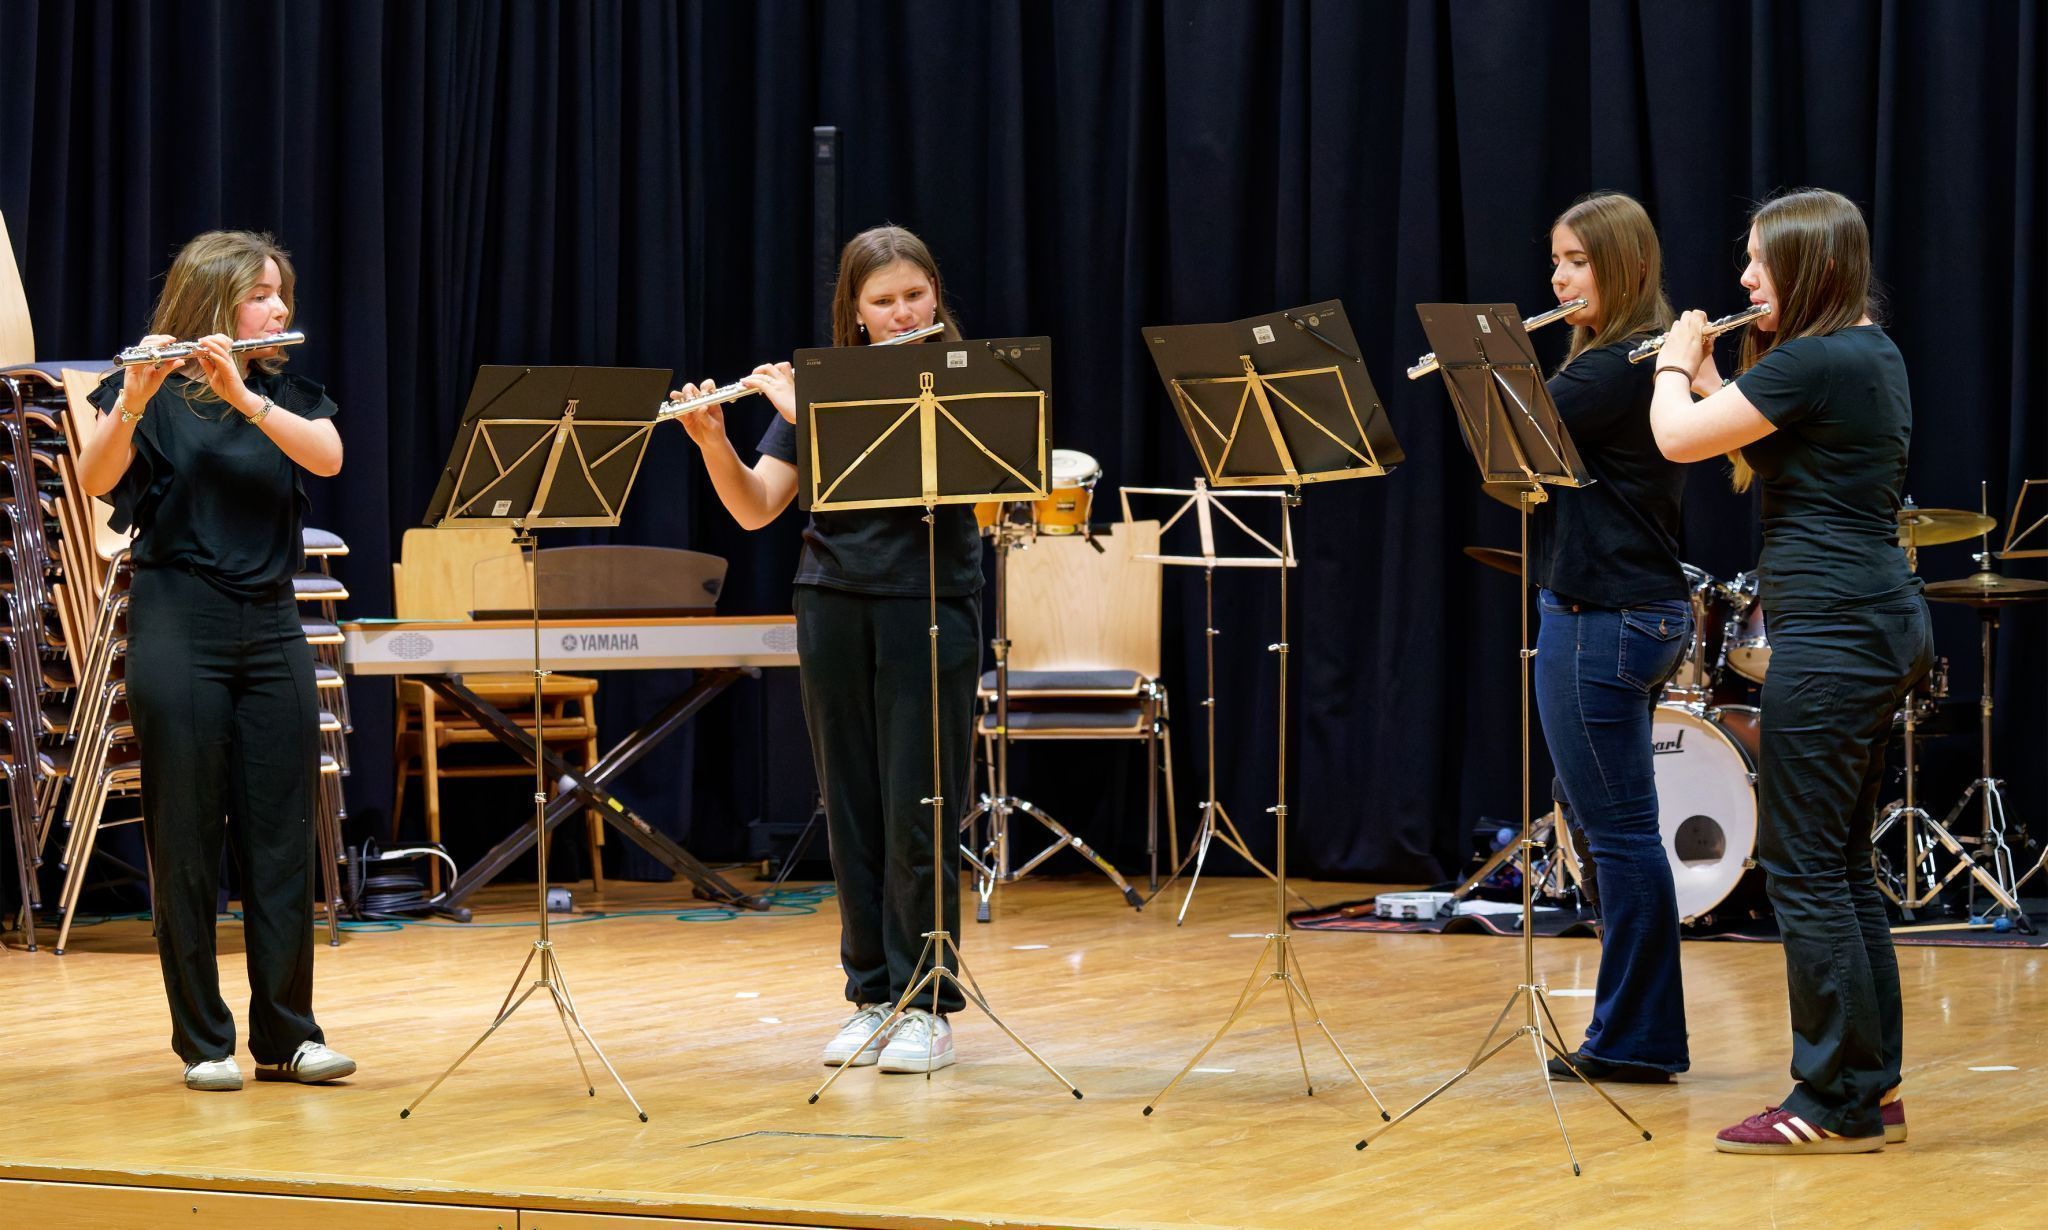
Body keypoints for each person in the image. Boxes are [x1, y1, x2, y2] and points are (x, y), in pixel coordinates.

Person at [1650, 188, 1930, 1154]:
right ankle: (1869, 1091)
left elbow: (1677, 438)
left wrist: (1674, 365)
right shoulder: (1866, 352)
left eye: (1760, 262)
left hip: (1840, 635)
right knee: (1840, 867)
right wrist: (1712, 375)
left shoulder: (1814, 358)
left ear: (1814, 266)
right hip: (1876, 624)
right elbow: (1767, 448)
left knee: (1804, 868)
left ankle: (1832, 1102)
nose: (1743, 280)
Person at [676, 225, 978, 1074]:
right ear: (856, 311)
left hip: (929, 601)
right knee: (850, 808)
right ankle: (873, 996)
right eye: (883, 301)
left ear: (934, 293)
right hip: (832, 602)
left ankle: (926, 1004)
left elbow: (934, 473)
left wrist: (807, 412)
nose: (902, 312)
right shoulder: (823, 384)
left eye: (914, 295)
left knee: (919, 805)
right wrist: (714, 441)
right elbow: (755, 508)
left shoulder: (965, 377)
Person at [77, 230, 354, 1092]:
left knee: (280, 836)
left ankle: (289, 1035)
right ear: (213, 302)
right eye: (259, 294)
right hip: (178, 623)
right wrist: (134, 398)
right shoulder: (148, 390)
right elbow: (95, 479)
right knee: (187, 838)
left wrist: (242, 394)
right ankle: (204, 1041)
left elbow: (327, 457)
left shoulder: (284, 391)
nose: (278, 308)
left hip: (271, 625)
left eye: (280, 294)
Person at [1526, 192, 1694, 1084]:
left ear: (1624, 266)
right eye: (1556, 261)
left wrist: (1483, 363)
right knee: (1608, 826)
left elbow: (1509, 441)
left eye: (1578, 261)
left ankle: (1635, 1040)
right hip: (1635, 611)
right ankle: (1641, 1032)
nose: (1559, 278)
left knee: (1619, 834)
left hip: (1603, 616)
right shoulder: (1632, 358)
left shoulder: (1613, 368)